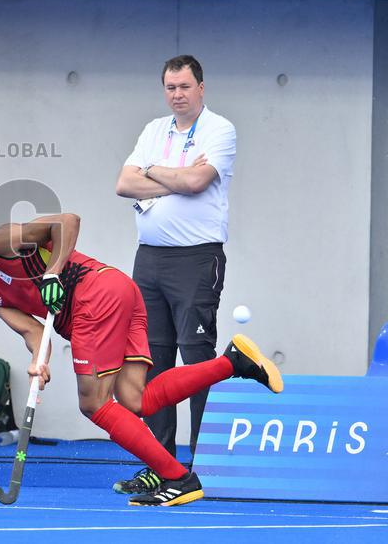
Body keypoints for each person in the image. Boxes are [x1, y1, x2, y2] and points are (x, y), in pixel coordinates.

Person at [0, 216, 280, 506]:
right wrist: (39, 364)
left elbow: (66, 222)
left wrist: (53, 271)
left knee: (93, 403)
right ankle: (234, 363)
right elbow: (34, 333)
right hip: (117, 295)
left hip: (93, 296)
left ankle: (177, 477)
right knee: (135, 400)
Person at [114, 54, 236, 494]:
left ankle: (202, 464)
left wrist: (154, 172)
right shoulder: (153, 130)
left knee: (198, 360)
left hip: (196, 259)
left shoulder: (220, 129)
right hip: (149, 260)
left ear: (201, 87)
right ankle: (162, 464)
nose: (177, 95)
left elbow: (197, 183)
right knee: (151, 363)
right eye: (170, 87)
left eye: (184, 87)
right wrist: (172, 176)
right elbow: (123, 184)